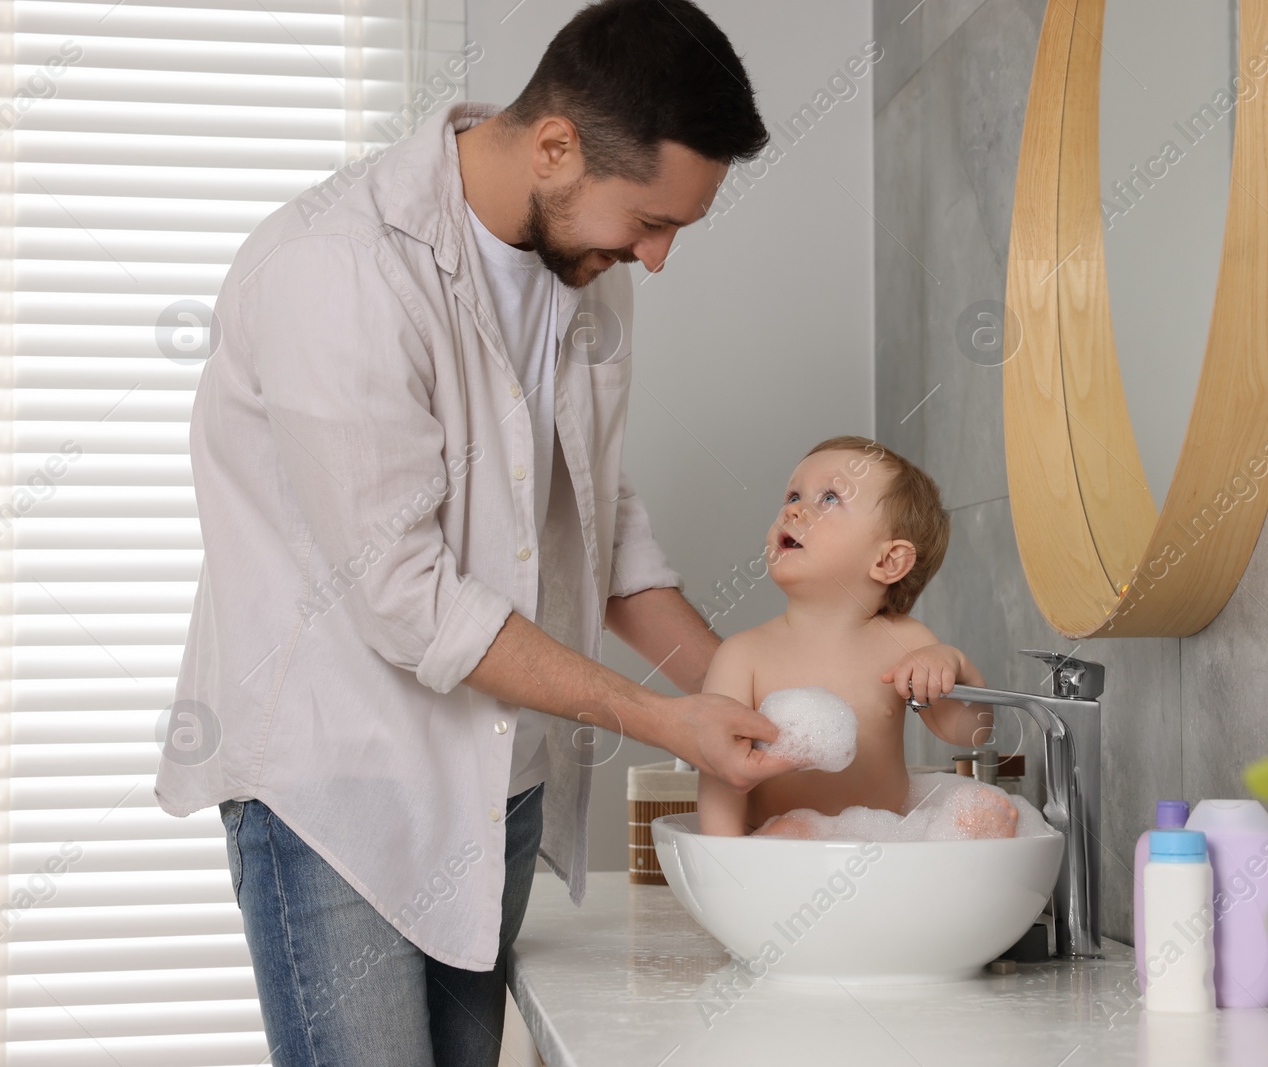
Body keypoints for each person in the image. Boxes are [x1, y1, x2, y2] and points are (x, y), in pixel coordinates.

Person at [153, 2, 799, 1064]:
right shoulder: (339, 269)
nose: (660, 256)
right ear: (555, 146)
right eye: (650, 221)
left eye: (678, 227)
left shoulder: (584, 272)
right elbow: (406, 592)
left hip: (499, 782)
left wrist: (744, 702)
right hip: (338, 788)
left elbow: (594, 520)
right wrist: (665, 720)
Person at [696, 435, 1013, 838]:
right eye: (793, 495)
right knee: (792, 832)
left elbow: (969, 732)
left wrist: (954, 666)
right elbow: (721, 774)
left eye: (828, 498)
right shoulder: (742, 655)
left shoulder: (908, 642)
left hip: (886, 848)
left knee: (981, 813)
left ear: (887, 561)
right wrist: (728, 859)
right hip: (778, 851)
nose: (794, 509)